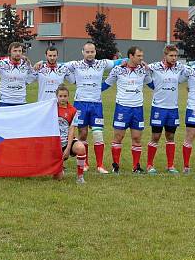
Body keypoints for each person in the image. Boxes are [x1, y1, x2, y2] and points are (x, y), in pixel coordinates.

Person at [62, 42, 123, 174]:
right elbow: (59, 64)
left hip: (96, 104)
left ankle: (100, 165)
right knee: (83, 134)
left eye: (92, 52)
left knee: (98, 134)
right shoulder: (76, 64)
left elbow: (117, 62)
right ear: (82, 52)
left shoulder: (101, 63)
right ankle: (85, 164)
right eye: (87, 52)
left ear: (95, 52)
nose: (90, 54)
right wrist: (42, 62)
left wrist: (129, 60)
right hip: (80, 103)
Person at [102, 46, 151, 173]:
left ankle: (136, 167)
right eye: (139, 56)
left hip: (138, 109)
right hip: (122, 108)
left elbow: (152, 84)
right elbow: (106, 84)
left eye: (142, 56)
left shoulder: (143, 70)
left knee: (137, 138)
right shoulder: (118, 70)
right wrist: (91, 89)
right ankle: (115, 165)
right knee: (118, 137)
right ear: (131, 56)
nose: (141, 58)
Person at [145, 45, 187, 174]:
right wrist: (154, 86)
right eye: (171, 56)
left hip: (172, 108)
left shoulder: (180, 67)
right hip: (158, 107)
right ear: (165, 55)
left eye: (176, 56)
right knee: (156, 136)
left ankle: (170, 166)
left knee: (170, 136)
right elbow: (143, 69)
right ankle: (149, 165)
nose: (174, 58)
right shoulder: (155, 66)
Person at [56, 85, 86, 184]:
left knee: (81, 148)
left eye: (65, 96)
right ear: (57, 96)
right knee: (59, 177)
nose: (63, 98)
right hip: (54, 143)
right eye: (60, 96)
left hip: (67, 141)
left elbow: (72, 130)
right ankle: (58, 167)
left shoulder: (73, 110)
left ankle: (80, 177)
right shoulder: (51, 108)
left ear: (68, 96)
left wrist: (68, 148)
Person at [0, 42, 35, 106]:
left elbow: (33, 74)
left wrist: (26, 82)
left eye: (20, 51)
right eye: (15, 51)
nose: (18, 53)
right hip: (4, 101)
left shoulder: (26, 63)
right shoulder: (2, 63)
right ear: (10, 52)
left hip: (21, 101)